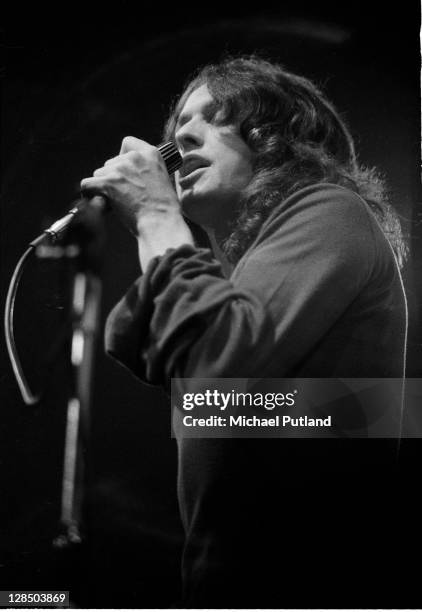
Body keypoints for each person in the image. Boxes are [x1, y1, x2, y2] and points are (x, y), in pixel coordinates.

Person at [81, 56, 408, 608]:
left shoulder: (334, 211)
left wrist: (159, 218)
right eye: (182, 122)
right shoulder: (243, 285)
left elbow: (218, 367)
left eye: (216, 117)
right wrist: (153, 223)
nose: (182, 134)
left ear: (279, 139)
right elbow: (159, 348)